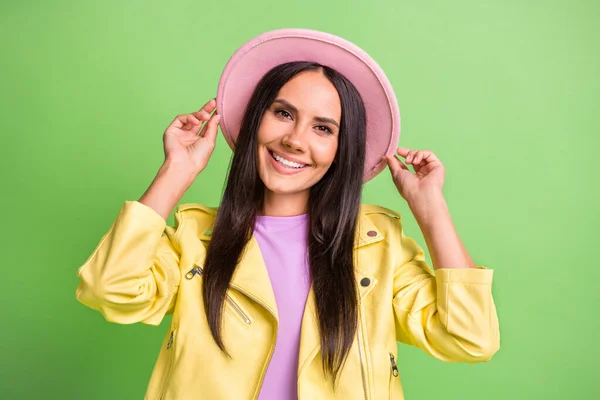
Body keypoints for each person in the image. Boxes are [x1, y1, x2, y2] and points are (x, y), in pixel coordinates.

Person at [75, 29, 499, 400]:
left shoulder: (378, 248)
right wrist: (175, 172)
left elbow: (470, 338)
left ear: (341, 148)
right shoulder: (195, 238)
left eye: (322, 128)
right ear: (257, 119)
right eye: (283, 113)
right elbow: (108, 289)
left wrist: (431, 211)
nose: (295, 140)